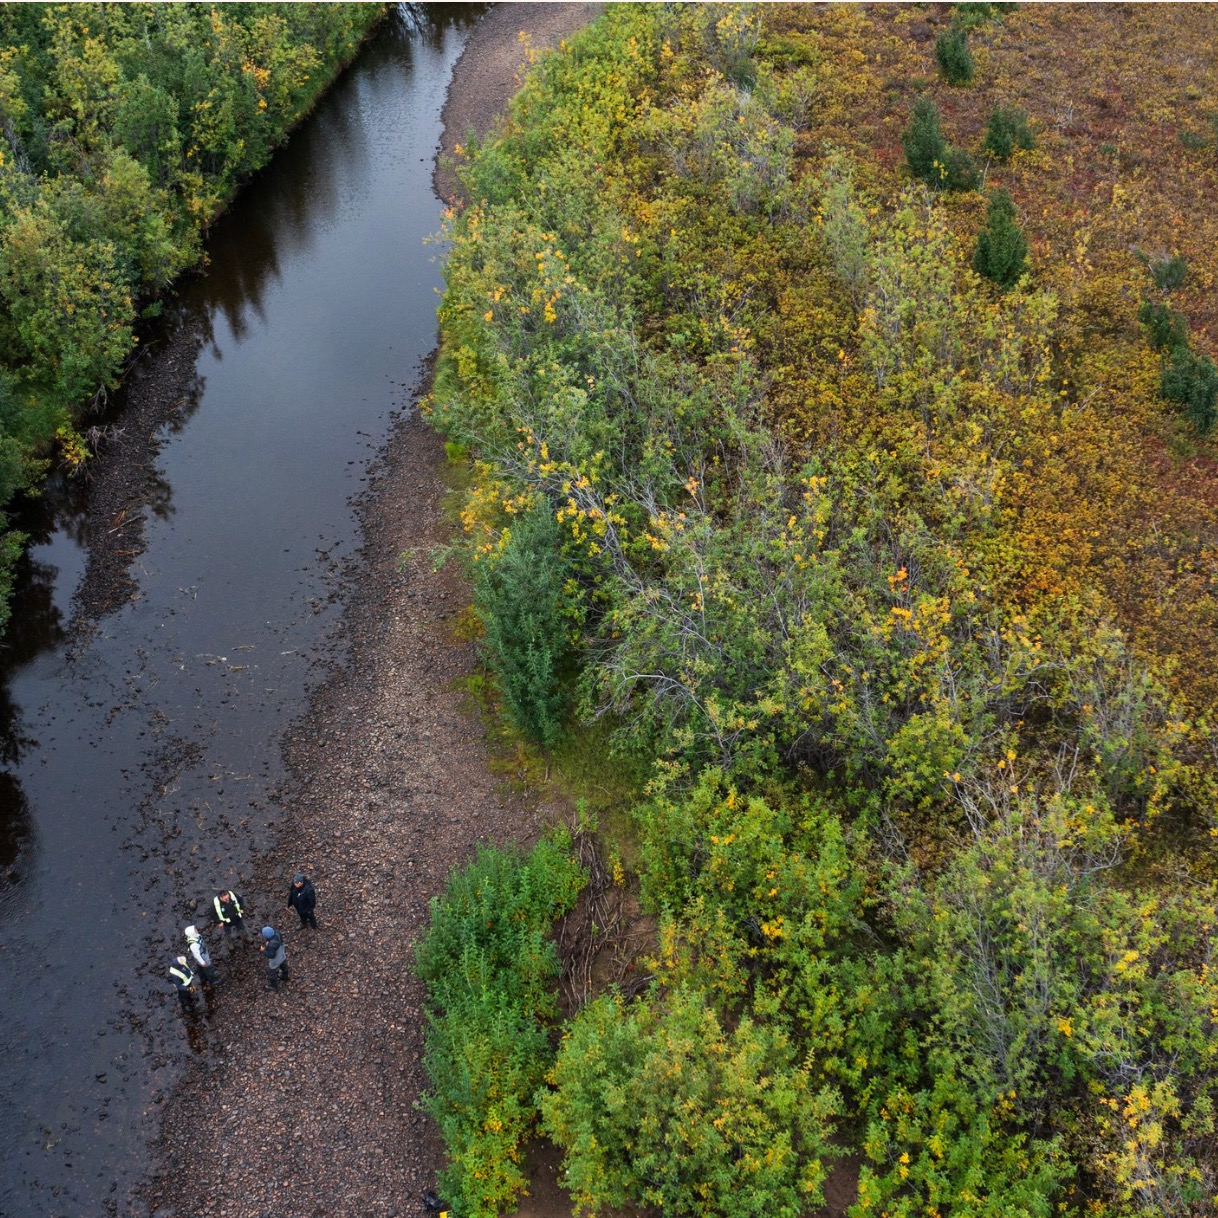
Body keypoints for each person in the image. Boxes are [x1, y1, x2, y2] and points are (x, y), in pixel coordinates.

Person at [260, 925, 289, 990]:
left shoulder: (271, 945)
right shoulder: (277, 934)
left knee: (272, 971)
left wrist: (263, 950)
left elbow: (271, 955)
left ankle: (273, 986)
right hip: (282, 954)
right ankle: (285, 976)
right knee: (284, 965)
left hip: (275, 960)